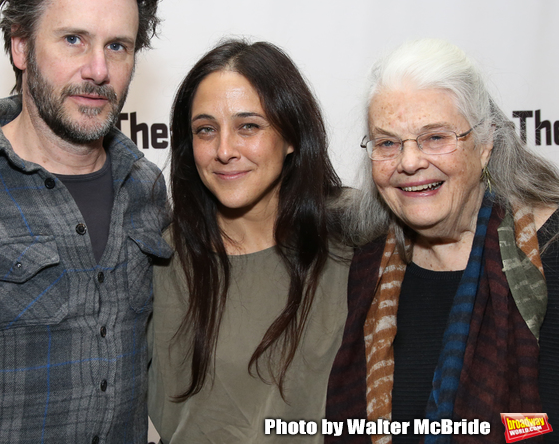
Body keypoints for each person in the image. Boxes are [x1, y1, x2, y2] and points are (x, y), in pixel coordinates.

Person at [0, 0, 171, 443]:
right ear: (21, 47)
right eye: (74, 39)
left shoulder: (146, 188)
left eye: (118, 46)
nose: (98, 70)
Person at [326, 39, 559, 443]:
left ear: (485, 144)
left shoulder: (550, 252)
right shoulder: (363, 267)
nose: (410, 162)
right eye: (387, 143)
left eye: (435, 137)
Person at [148, 39, 351, 443]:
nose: (224, 150)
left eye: (248, 127)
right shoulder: (159, 260)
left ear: (292, 135)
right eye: (206, 130)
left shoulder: (353, 234)